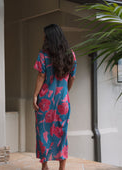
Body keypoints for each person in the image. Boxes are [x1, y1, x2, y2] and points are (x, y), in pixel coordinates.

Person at [33, 24, 77, 170]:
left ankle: (44, 165)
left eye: (45, 35)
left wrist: (35, 95)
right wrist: (65, 92)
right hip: (63, 100)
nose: (43, 37)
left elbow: (41, 75)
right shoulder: (71, 54)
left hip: (46, 100)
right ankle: (62, 167)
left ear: (49, 37)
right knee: (61, 132)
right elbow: (72, 78)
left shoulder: (43, 55)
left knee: (43, 131)